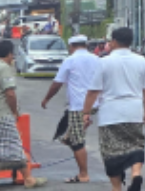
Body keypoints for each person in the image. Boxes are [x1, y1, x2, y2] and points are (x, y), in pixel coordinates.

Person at [84, 27, 145, 191]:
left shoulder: (104, 62)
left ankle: (116, 190)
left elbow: (93, 91)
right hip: (134, 110)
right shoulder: (142, 61)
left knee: (111, 151)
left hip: (111, 113)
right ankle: (136, 173)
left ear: (114, 41)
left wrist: (86, 113)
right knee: (135, 144)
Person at [0, 40, 46, 191]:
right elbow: (10, 94)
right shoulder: (4, 69)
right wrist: (14, 111)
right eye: (12, 54)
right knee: (14, 143)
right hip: (1, 112)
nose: (13, 58)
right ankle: (28, 179)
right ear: (9, 54)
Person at [43, 35, 102, 183]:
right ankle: (83, 125)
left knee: (76, 141)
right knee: (66, 137)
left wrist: (46, 99)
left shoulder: (70, 60)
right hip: (93, 103)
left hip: (78, 106)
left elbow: (57, 83)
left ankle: (83, 174)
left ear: (72, 46)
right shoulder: (96, 59)